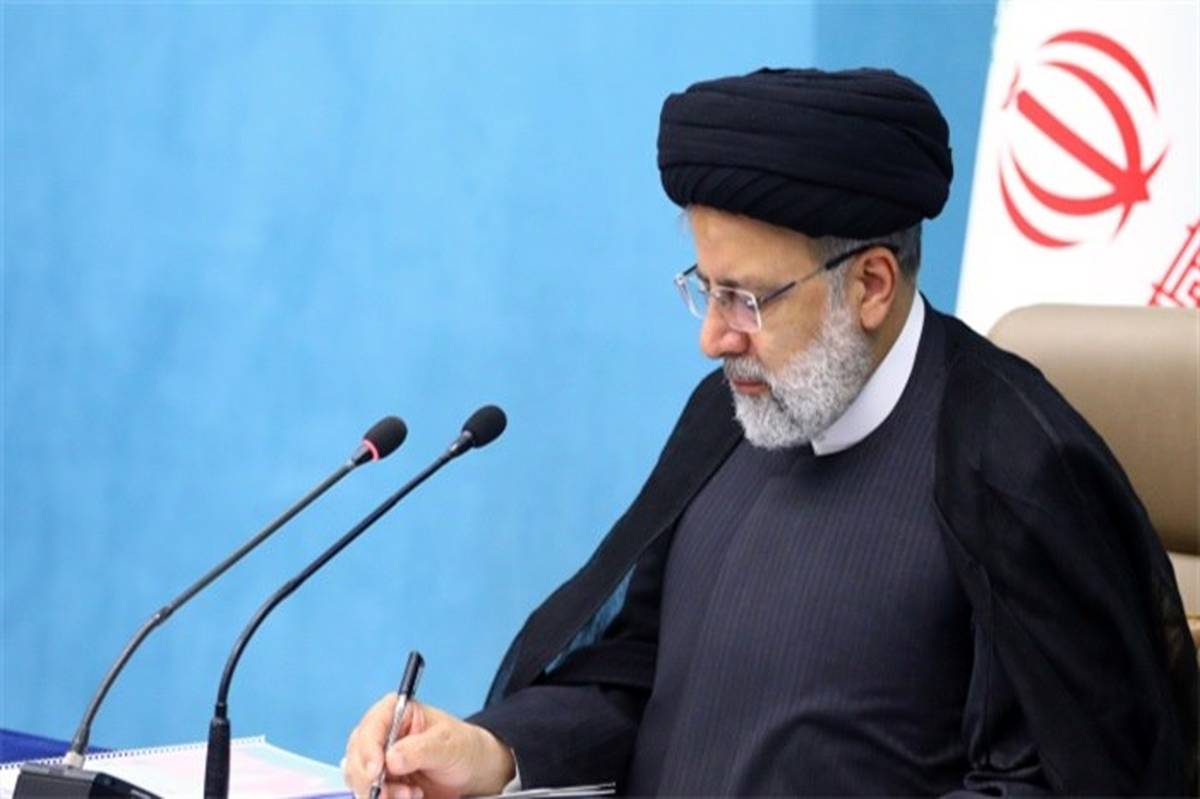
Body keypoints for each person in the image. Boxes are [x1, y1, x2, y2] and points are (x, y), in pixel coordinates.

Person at [342, 67, 1198, 798]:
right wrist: (493, 752)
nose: (713, 337)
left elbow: (1062, 778)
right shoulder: (728, 417)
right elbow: (634, 680)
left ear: (871, 284)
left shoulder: (1014, 466)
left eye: (746, 298)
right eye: (705, 287)